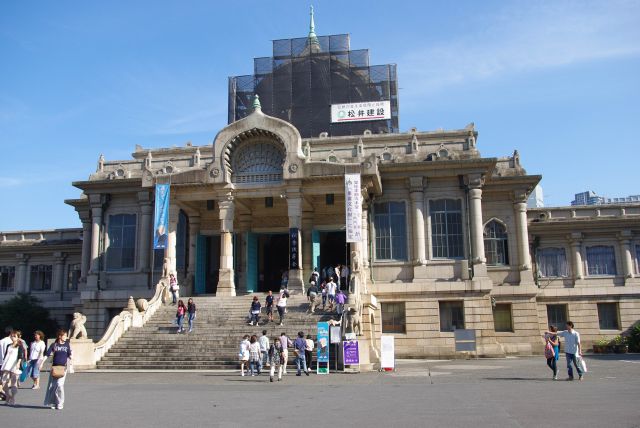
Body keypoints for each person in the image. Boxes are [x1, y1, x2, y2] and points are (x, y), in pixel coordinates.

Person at [43, 329, 72, 410]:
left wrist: (72, 361)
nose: (66, 337)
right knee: (54, 386)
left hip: (63, 368)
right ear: (60, 336)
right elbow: (47, 354)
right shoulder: (54, 345)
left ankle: (60, 403)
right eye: (65, 335)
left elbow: (69, 354)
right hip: (55, 368)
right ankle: (56, 402)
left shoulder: (67, 345)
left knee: (60, 385)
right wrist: (41, 362)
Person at [1, 331, 23, 406]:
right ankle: (8, 396)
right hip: (6, 365)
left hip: (14, 365)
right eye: (12, 336)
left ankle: (12, 398)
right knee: (3, 382)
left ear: (18, 337)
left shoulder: (20, 346)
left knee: (13, 383)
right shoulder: (8, 345)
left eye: (14, 336)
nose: (12, 338)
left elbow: (20, 356)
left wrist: (18, 363)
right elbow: (5, 356)